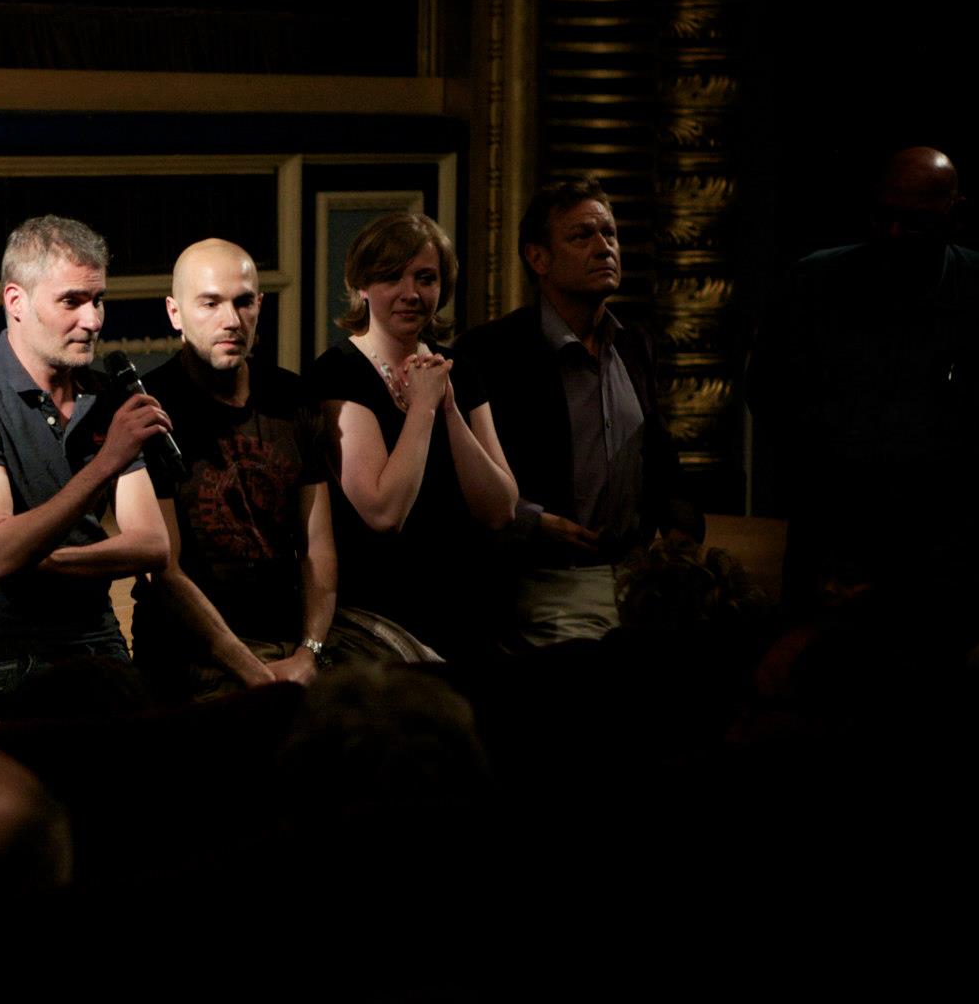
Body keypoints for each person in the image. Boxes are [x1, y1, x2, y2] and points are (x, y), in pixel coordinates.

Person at [749, 147, 979, 615]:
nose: (893, 235)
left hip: (955, 566)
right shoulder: (813, 286)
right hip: (833, 550)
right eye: (882, 217)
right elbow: (769, 398)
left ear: (956, 214)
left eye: (915, 222)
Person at [0, 214, 172, 724]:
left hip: (94, 631)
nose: (94, 320)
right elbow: (1, 556)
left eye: (98, 300)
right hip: (2, 642)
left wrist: (43, 556)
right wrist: (107, 463)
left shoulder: (107, 396)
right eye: (72, 301)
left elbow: (153, 546)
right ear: (16, 301)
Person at [455, 179, 703, 647]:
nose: (603, 247)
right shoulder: (492, 352)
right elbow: (459, 478)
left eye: (609, 234)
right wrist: (533, 521)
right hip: (541, 580)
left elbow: (660, 456)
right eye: (581, 236)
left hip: (637, 579)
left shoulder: (634, 345)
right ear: (539, 258)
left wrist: (680, 529)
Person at [303, 211, 517, 660]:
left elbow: (501, 508)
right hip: (383, 618)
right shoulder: (338, 373)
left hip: (470, 603)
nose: (411, 294)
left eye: (426, 278)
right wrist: (422, 408)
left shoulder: (458, 368)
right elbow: (384, 511)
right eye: (390, 278)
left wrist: (450, 409)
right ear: (362, 286)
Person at [132, 238, 338, 699]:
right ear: (175, 312)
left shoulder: (293, 397)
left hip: (288, 639)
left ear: (259, 305)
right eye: (210, 303)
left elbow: (317, 546)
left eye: (243, 302)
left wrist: (310, 651)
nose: (231, 320)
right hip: (192, 651)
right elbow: (164, 570)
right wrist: (253, 672)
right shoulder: (147, 408)